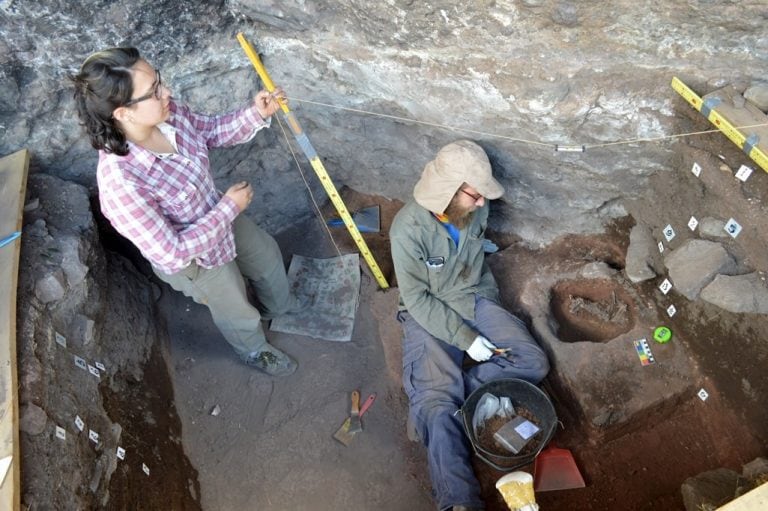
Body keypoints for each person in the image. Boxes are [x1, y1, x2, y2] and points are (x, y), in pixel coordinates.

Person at [71, 47, 298, 376]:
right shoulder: (121, 183)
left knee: (266, 255)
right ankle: (254, 350)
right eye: (153, 92)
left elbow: (210, 130)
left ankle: (280, 309)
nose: (168, 93)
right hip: (195, 259)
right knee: (234, 306)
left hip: (218, 212)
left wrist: (255, 113)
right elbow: (173, 253)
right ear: (123, 113)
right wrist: (227, 210)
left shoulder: (168, 113)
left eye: (159, 81)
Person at [389, 140, 550, 511]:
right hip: (427, 311)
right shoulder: (406, 231)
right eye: (475, 195)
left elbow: (474, 260)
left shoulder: (475, 209)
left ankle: (465, 394)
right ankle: (459, 501)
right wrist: (465, 339)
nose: (482, 204)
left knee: (533, 361)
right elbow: (416, 299)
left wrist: (474, 334)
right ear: (449, 192)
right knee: (434, 405)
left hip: (474, 296)